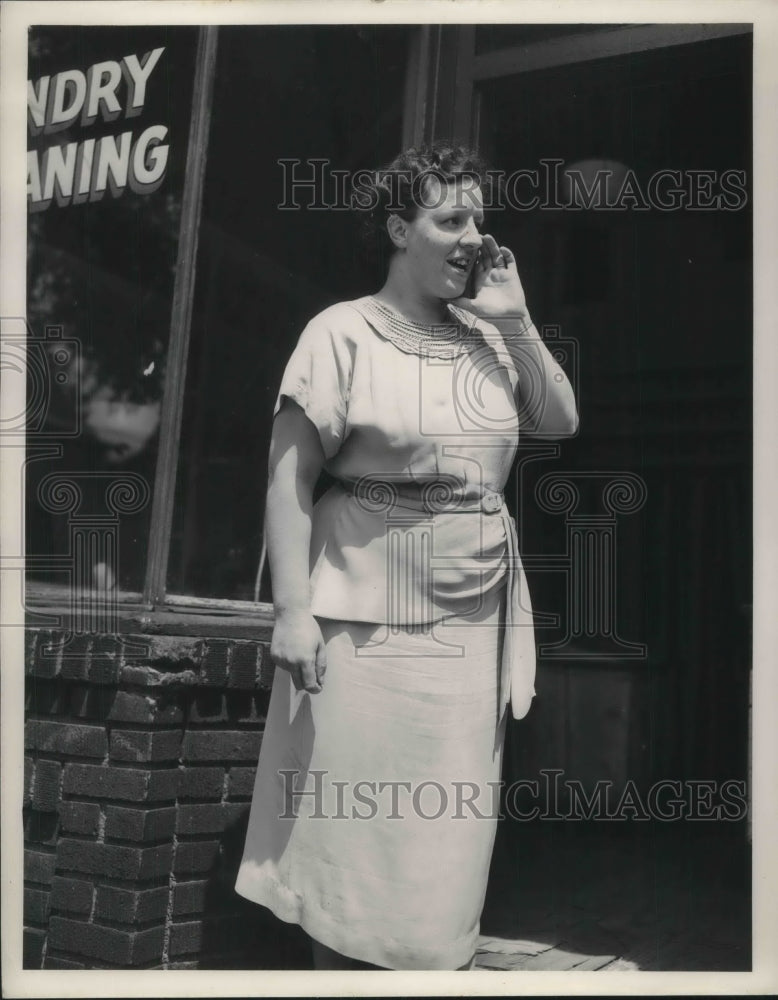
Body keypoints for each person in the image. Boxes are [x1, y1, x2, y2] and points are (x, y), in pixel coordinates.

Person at [235, 143, 578, 970]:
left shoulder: (488, 338)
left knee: (444, 855)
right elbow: (290, 479)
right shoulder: (340, 332)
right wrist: (291, 612)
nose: (474, 239)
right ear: (399, 228)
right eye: (450, 219)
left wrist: (516, 319)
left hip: (469, 629)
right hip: (363, 628)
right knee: (352, 850)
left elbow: (559, 419)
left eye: (479, 220)